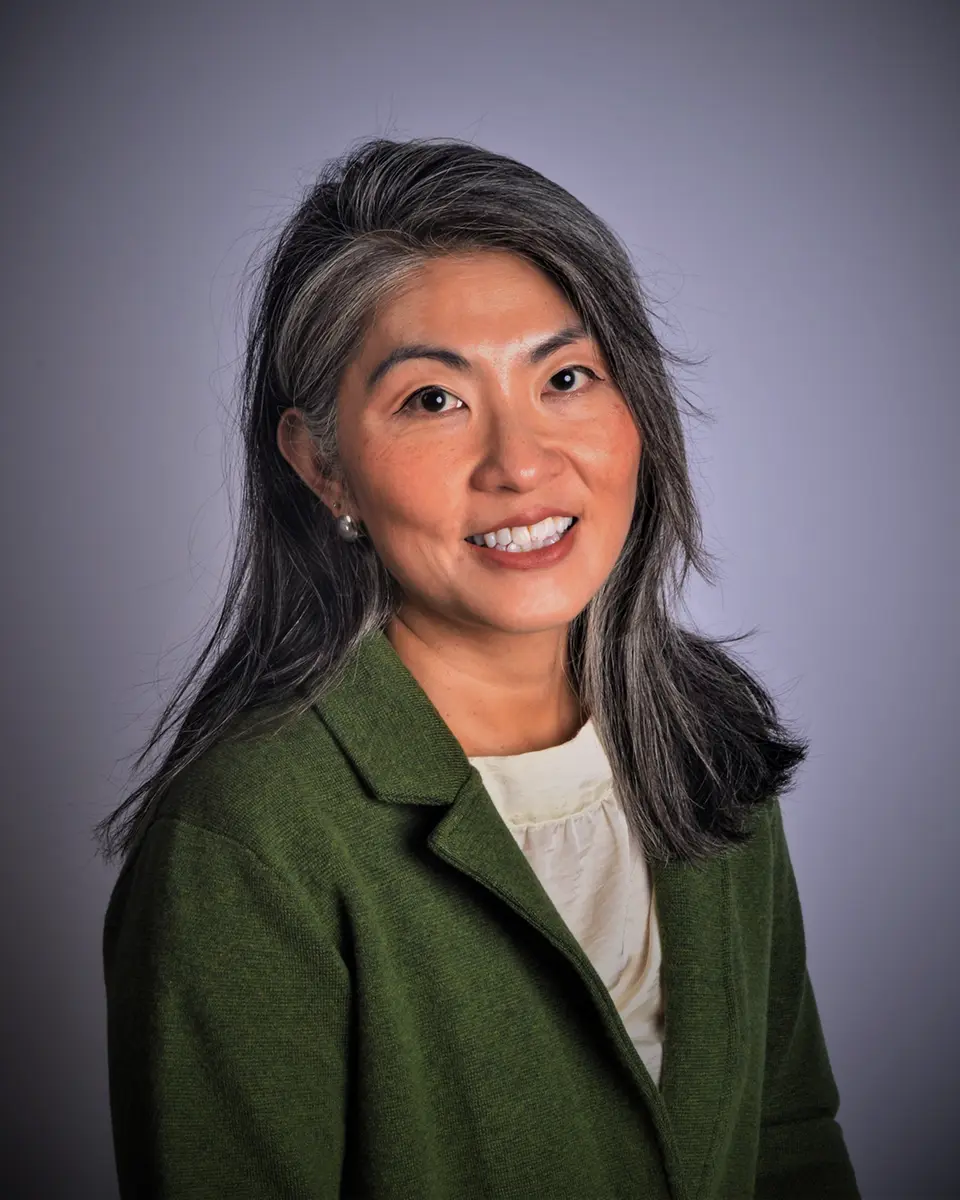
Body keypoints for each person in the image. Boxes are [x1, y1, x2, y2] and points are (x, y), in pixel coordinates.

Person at [97, 136, 861, 1199]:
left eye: (566, 378)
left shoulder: (702, 733)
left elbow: (789, 1138)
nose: (521, 463)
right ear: (322, 466)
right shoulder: (247, 839)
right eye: (433, 400)